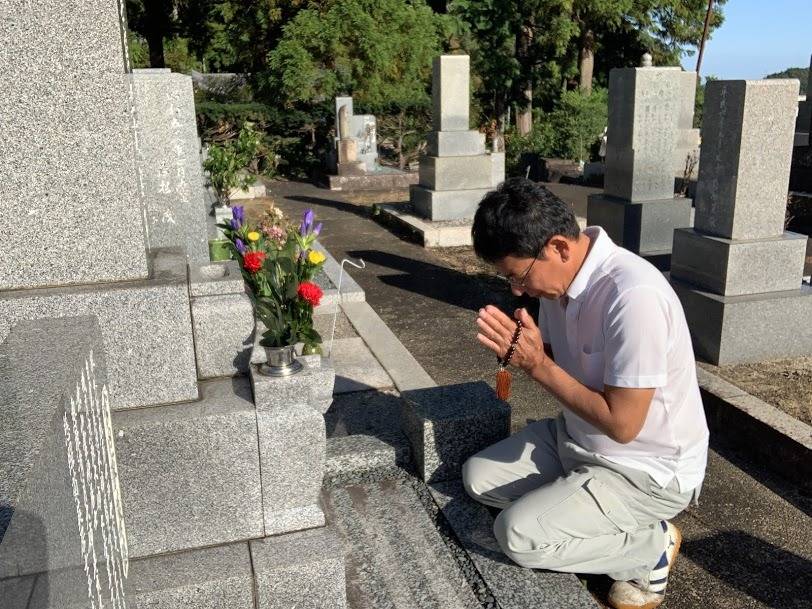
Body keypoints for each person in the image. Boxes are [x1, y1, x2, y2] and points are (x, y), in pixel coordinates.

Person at [465, 177, 708, 609]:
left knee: (517, 535)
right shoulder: (560, 283)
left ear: (558, 247)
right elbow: (570, 358)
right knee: (478, 479)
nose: (518, 290)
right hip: (577, 439)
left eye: (518, 275)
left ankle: (650, 547)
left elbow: (624, 425)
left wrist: (538, 364)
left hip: (645, 469)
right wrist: (534, 347)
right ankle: (580, 505)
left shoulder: (634, 296)